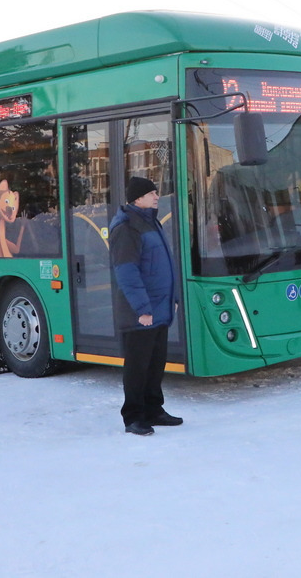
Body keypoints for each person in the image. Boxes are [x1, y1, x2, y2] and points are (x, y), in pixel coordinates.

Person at [110, 176, 182, 436]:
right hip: (140, 312)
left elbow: (163, 265)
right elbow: (127, 272)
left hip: (159, 307)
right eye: (152, 193)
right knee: (137, 367)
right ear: (138, 198)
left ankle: (153, 410)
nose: (156, 197)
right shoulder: (127, 227)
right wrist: (142, 309)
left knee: (155, 364)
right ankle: (133, 417)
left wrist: (173, 298)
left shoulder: (150, 222)